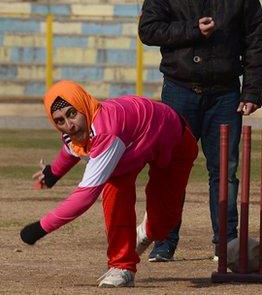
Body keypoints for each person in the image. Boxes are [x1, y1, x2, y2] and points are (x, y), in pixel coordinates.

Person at [138, 0, 262, 262]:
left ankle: (226, 244)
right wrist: (192, 30)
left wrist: (251, 92)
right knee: (169, 170)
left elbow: (255, 39)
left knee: (225, 171)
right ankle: (164, 241)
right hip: (180, 90)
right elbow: (148, 30)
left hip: (225, 93)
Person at [19, 80, 198, 288]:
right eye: (59, 120)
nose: (69, 125)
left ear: (83, 104)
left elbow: (85, 196)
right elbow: (72, 149)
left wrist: (40, 228)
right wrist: (53, 173)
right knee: (114, 195)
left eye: (72, 114)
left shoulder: (105, 133)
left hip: (173, 140)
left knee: (161, 227)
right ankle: (122, 266)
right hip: (129, 149)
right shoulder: (73, 131)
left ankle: (144, 232)